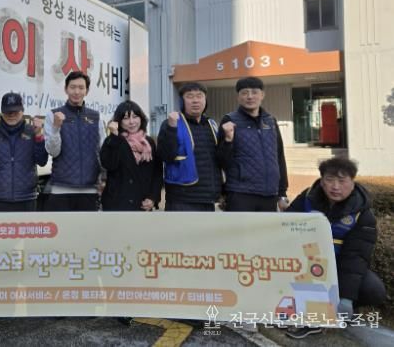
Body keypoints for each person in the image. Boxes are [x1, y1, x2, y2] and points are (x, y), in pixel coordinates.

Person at [284, 157, 386, 339]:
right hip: (305, 262)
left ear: (352, 182)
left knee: (373, 289)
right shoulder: (308, 198)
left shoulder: (363, 214)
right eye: (329, 180)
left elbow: (355, 258)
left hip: (340, 266)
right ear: (322, 181)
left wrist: (347, 298)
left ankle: (337, 308)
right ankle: (305, 315)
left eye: (342, 180)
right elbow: (285, 226)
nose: (335, 187)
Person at [217, 76, 289, 212]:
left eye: (254, 92)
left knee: (267, 227)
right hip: (240, 193)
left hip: (269, 193)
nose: (250, 97)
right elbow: (221, 160)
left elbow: (279, 156)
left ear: (262, 95)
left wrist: (282, 193)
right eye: (244, 93)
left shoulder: (271, 121)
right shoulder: (229, 120)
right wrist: (228, 141)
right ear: (238, 97)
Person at [44, 71, 105, 211]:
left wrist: (103, 179)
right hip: (61, 189)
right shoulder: (53, 115)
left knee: (87, 226)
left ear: (87, 91)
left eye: (81, 87)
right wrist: (56, 127)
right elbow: (53, 151)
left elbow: (103, 151)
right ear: (66, 89)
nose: (77, 92)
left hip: (90, 189)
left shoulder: (96, 117)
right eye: (72, 87)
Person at [157, 82, 223, 211]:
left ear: (205, 100)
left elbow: (219, 160)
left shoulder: (212, 125)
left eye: (199, 96)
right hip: (181, 199)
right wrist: (171, 128)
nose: (195, 100)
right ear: (182, 101)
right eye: (190, 96)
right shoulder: (170, 123)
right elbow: (165, 156)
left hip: (208, 198)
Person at [0, 92, 49, 212]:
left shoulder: (32, 131)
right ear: (2, 112)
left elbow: (42, 161)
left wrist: (38, 136)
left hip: (27, 198)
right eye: (8, 111)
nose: (11, 115)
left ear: (22, 111)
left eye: (15, 111)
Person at [100, 100, 162, 211]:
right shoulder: (112, 140)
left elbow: (157, 173)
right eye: (126, 118)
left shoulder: (149, 143)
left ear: (141, 118)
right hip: (117, 205)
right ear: (119, 121)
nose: (132, 122)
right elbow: (109, 164)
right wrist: (115, 137)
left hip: (142, 204)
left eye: (135, 116)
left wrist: (152, 198)